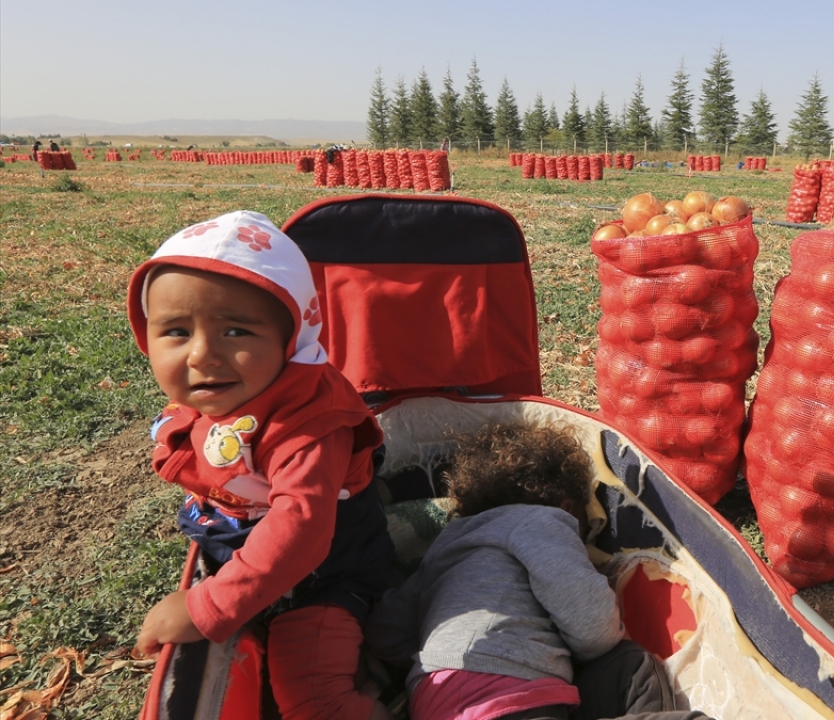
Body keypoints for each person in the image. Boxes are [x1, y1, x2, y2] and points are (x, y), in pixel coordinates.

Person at [129, 210, 394, 720]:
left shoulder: (310, 422)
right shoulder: (214, 398)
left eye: (236, 332)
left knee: (313, 702)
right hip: (248, 550)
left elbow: (302, 528)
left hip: (324, 574)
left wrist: (208, 605)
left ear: (291, 338)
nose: (203, 355)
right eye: (177, 331)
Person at [365, 422, 708, 720]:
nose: (585, 543)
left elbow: (386, 631)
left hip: (436, 697)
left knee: (629, 666)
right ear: (569, 507)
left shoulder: (447, 545)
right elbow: (592, 627)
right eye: (586, 532)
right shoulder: (540, 520)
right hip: (499, 697)